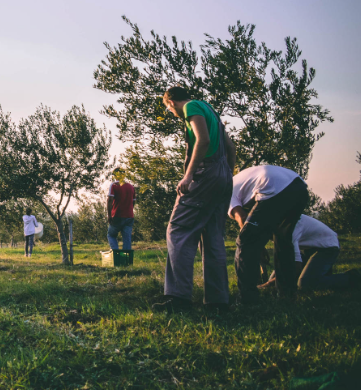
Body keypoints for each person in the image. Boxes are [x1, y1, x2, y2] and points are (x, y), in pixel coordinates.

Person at [153, 86, 236, 312]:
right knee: (213, 237)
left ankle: (178, 298)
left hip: (205, 173)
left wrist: (189, 175)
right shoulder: (212, 112)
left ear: (171, 103)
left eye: (169, 109)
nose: (172, 113)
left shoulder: (191, 107)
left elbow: (203, 140)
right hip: (223, 177)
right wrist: (226, 174)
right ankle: (218, 302)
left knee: (178, 229)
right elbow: (230, 146)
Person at [228, 163, 309, 304]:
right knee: (283, 240)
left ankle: (247, 299)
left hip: (273, 188)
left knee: (245, 242)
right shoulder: (239, 180)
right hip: (299, 187)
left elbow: (241, 218)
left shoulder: (225, 190)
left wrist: (257, 245)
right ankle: (287, 294)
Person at [255, 214, 356, 293]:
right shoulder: (272, 226)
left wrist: (266, 284)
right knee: (276, 281)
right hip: (308, 248)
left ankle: (352, 277)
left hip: (327, 246)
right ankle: (321, 275)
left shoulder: (288, 229)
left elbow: (295, 268)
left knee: (305, 284)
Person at [107, 169, 136, 252]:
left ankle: (116, 255)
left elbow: (110, 200)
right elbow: (133, 202)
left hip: (117, 215)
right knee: (127, 238)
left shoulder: (114, 185)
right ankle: (126, 260)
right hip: (129, 216)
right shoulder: (131, 187)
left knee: (111, 235)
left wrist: (109, 215)